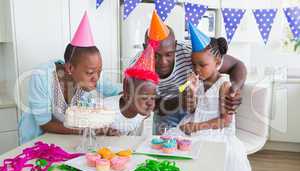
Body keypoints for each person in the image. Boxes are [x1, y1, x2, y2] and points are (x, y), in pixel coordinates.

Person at [132, 12, 247, 134]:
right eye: (155, 55)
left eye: (169, 54)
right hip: (166, 113)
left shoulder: (193, 54)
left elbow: (237, 65)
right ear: (145, 48)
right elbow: (149, 106)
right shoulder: (137, 69)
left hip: (201, 125)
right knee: (163, 147)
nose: (163, 62)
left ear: (175, 46)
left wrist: (234, 90)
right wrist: (183, 100)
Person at [19, 12, 121, 143]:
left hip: (68, 140)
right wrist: (88, 129)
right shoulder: (41, 76)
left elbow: (115, 90)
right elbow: (45, 124)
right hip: (36, 140)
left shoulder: (92, 74)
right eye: (90, 72)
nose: (96, 78)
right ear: (70, 68)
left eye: (99, 71)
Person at [177, 23, 251, 171]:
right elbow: (191, 109)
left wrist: (196, 127)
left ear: (218, 63)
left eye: (202, 65)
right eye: (193, 64)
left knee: (213, 158)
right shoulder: (198, 81)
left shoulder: (223, 85)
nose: (196, 69)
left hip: (218, 132)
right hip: (196, 126)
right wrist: (191, 93)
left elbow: (225, 121)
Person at [103, 45, 159, 136]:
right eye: (144, 97)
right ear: (127, 93)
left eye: (153, 97)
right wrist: (102, 131)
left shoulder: (144, 114)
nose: (150, 103)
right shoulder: (106, 109)